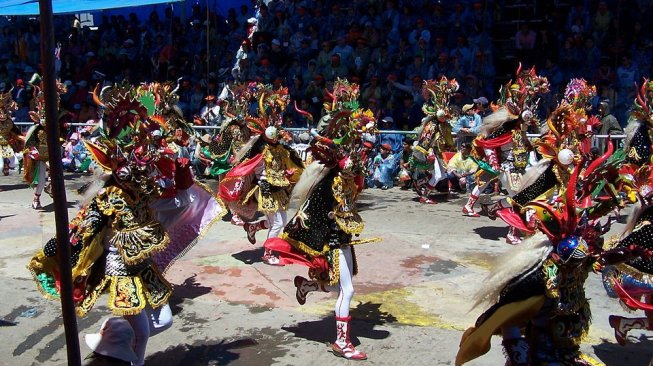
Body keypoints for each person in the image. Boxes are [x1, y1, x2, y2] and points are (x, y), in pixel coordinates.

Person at [264, 83, 377, 359]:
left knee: (340, 286)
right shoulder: (331, 180)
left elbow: (351, 194)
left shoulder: (347, 177)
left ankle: (306, 286)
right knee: (347, 291)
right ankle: (342, 343)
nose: (356, 163)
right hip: (333, 240)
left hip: (344, 238)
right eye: (353, 158)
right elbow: (315, 212)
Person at [218, 85, 304, 265]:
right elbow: (247, 169)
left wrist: (288, 174)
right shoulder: (260, 151)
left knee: (280, 222)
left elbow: (287, 165)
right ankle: (268, 253)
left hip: (279, 190)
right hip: (266, 190)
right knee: (279, 224)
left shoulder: (280, 149)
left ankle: (254, 227)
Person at [0, 88, 21, 175]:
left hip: (7, 144)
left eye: (4, 112)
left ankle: (6, 163)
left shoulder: (9, 122)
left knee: (15, 163)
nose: (2, 115)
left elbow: (16, 132)